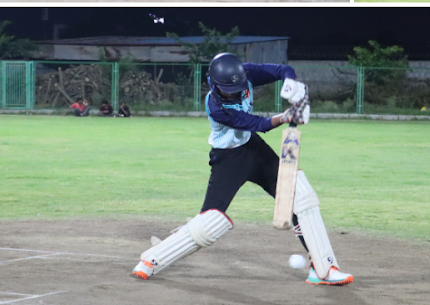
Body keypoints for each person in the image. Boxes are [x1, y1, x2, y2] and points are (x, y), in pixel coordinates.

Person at [131, 53, 351, 285]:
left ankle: (323, 268)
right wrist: (287, 116)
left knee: (300, 199)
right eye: (229, 89)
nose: (235, 92)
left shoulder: (244, 74)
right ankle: (152, 260)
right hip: (228, 159)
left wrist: (292, 86)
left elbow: (281, 70)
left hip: (254, 148)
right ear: (214, 85)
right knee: (209, 222)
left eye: (237, 87)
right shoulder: (214, 105)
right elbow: (256, 123)